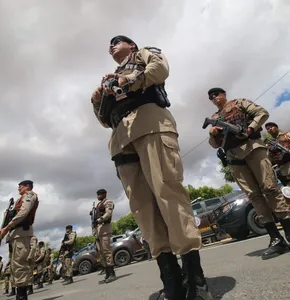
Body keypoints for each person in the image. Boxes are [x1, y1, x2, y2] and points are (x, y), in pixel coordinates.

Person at [90, 35, 212, 300]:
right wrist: (98, 97)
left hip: (150, 123)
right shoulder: (109, 76)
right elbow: (103, 118)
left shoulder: (143, 54)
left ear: (131, 46)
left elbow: (159, 70)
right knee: (143, 208)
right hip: (121, 138)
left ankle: (196, 282)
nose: (111, 46)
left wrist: (128, 81)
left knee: (168, 193)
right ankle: (172, 284)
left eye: (117, 42)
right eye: (109, 44)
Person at [207, 87, 290, 260]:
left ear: (224, 94)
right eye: (211, 97)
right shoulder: (215, 119)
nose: (214, 97)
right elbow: (214, 144)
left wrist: (250, 129)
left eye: (216, 94)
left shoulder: (239, 103)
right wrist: (213, 134)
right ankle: (276, 239)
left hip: (253, 148)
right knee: (254, 196)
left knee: (271, 189)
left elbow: (262, 113)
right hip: (233, 157)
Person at [0, 180, 39, 300]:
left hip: (21, 232)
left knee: (20, 265)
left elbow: (23, 213)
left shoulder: (29, 195)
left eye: (20, 186)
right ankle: (19, 294)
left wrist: (7, 227)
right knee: (15, 266)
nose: (18, 189)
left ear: (27, 186)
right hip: (15, 234)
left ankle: (22, 296)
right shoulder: (19, 200)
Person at [90, 189, 116, 284]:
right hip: (98, 231)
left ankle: (112, 273)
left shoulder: (108, 202)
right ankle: (107, 273)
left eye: (99, 194)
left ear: (104, 194)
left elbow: (108, 214)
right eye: (97, 194)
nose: (97, 196)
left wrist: (100, 219)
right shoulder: (98, 205)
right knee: (101, 253)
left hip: (105, 229)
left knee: (106, 251)